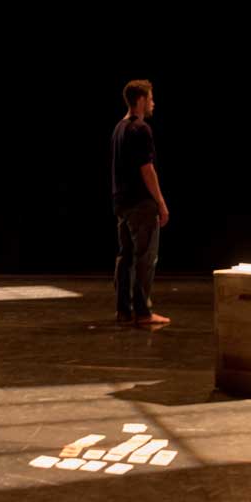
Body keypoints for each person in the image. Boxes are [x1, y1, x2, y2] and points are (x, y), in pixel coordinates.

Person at [111, 79, 170, 326]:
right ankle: (143, 312)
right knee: (145, 258)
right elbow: (147, 169)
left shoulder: (119, 128)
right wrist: (161, 202)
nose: (153, 103)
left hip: (122, 203)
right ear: (142, 100)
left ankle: (124, 311)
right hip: (140, 203)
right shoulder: (141, 129)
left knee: (125, 257)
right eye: (151, 98)